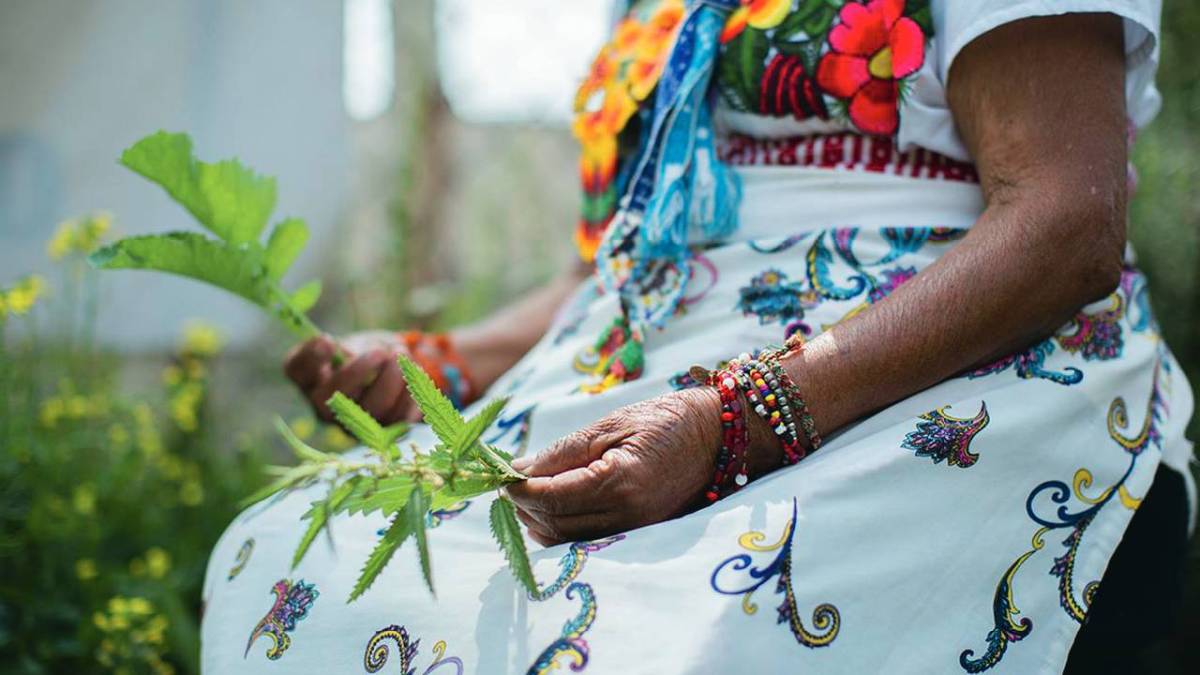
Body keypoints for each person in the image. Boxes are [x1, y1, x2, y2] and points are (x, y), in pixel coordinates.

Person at [202, 1, 1194, 672]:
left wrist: (738, 423)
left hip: (917, 365)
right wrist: (447, 363)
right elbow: (625, 263)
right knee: (289, 554)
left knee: (661, 632)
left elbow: (1064, 220)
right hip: (657, 376)